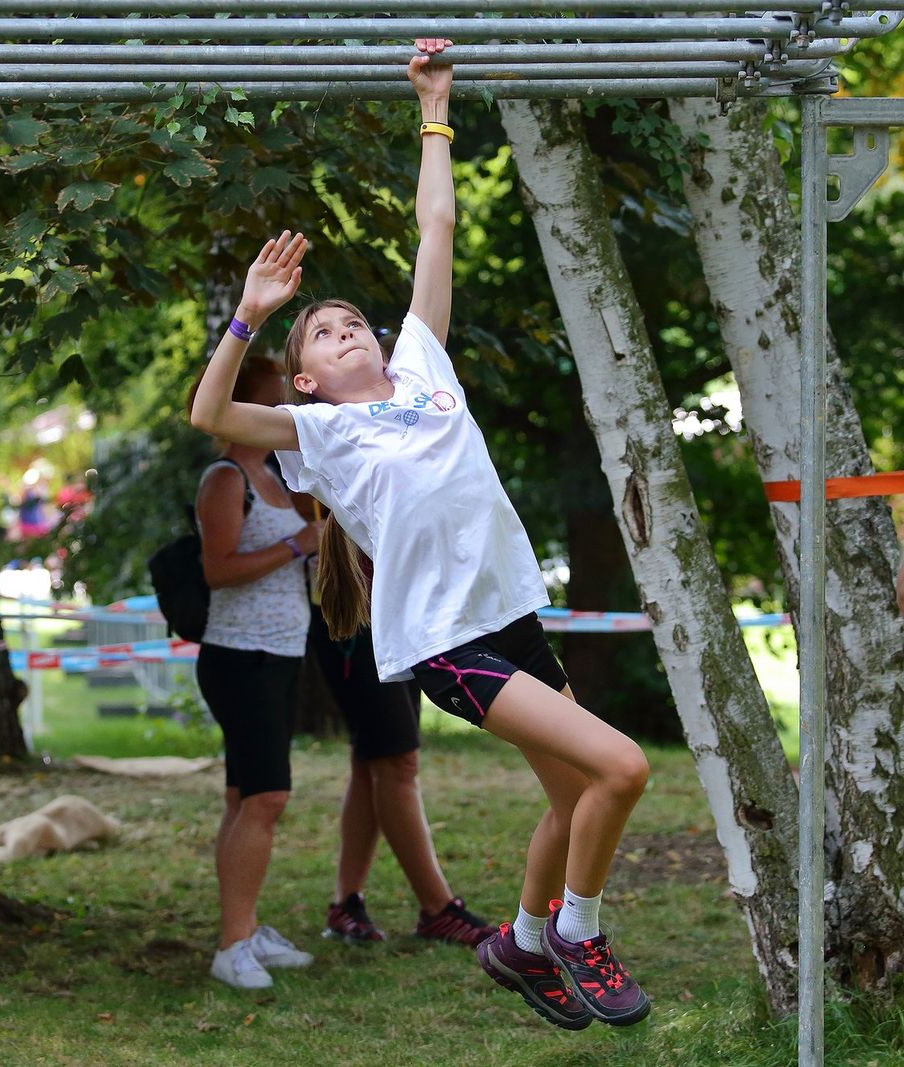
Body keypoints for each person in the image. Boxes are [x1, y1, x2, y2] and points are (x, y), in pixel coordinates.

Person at [190, 40, 652, 1029]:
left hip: (509, 608)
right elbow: (209, 418)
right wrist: (249, 315)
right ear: (306, 375)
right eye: (322, 331)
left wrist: (435, 107)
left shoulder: (424, 365)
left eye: (351, 317)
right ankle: (578, 931)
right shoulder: (320, 428)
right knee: (621, 766)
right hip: (447, 641)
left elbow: (436, 222)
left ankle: (520, 945)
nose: (346, 327)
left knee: (574, 797)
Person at [190, 354, 324, 990]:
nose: (282, 414)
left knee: (246, 797)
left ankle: (243, 929)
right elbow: (217, 570)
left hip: (280, 651)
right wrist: (298, 545)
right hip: (240, 655)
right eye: (270, 402)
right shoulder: (224, 480)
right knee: (268, 796)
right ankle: (233, 945)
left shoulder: (274, 475)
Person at [310, 554, 496, 948]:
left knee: (370, 760)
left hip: (398, 603)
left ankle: (345, 903)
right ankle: (438, 909)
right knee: (396, 759)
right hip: (351, 606)